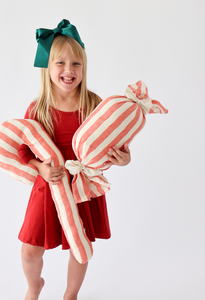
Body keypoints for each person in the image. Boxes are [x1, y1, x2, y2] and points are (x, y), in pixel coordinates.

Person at [17, 19, 131, 300]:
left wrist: (123, 159)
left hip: (82, 187)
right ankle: (35, 286)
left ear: (84, 67)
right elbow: (24, 151)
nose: (69, 71)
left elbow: (116, 143)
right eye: (61, 63)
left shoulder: (95, 104)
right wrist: (40, 168)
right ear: (48, 67)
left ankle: (71, 295)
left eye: (76, 64)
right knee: (30, 250)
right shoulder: (38, 107)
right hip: (49, 185)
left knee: (81, 248)